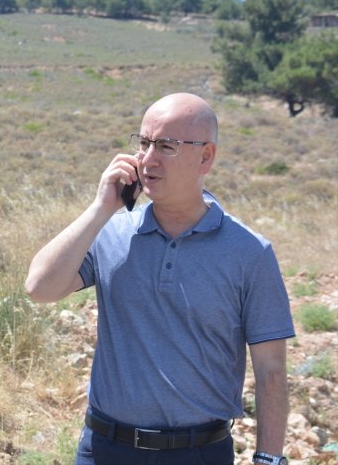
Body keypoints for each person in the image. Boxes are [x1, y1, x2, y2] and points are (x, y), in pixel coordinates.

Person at [25, 93, 293, 465]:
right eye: (144, 143)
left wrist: (268, 459)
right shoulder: (111, 231)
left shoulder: (250, 253)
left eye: (166, 146)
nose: (148, 159)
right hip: (105, 450)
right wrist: (101, 208)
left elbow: (271, 369)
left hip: (200, 453)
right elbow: (39, 288)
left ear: (206, 157)